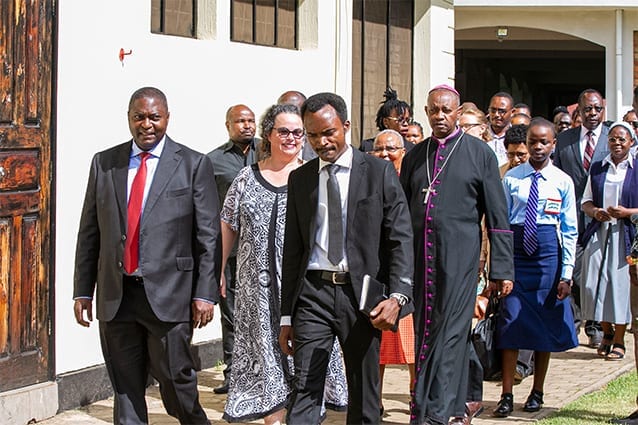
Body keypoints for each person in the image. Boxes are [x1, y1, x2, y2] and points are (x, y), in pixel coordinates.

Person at [73, 87, 220, 424]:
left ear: (167, 118)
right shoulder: (104, 163)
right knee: (125, 386)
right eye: (139, 117)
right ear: (129, 118)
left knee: (175, 378)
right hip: (117, 294)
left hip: (170, 295)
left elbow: (208, 237)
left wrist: (204, 293)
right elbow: (90, 232)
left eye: (154, 117)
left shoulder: (193, 164)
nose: (147, 124)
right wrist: (83, 290)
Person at [279, 92, 414, 424]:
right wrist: (285, 316)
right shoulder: (301, 179)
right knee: (306, 388)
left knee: (364, 395)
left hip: (362, 296)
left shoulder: (379, 173)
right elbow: (293, 250)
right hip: (314, 294)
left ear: (346, 126)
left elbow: (400, 239)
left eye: (329, 132)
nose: (321, 142)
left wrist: (398, 295)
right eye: (312, 135)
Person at [220, 103, 347, 423]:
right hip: (256, 295)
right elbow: (227, 227)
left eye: (297, 133)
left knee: (306, 363)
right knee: (266, 363)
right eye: (284, 131)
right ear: (269, 134)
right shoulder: (245, 178)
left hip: (303, 291)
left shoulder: (317, 176)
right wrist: (217, 271)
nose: (291, 138)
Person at [400, 84, 514, 425]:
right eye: (433, 110)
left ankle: (433, 410)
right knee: (426, 331)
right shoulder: (415, 155)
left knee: (450, 333)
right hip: (423, 260)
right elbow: (404, 214)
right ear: (426, 111)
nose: (439, 117)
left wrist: (501, 269)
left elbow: (498, 216)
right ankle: (444, 406)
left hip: (461, 259)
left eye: (446, 110)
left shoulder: (479, 154)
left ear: (458, 113)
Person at [494, 118, 578, 418]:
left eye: (544, 142)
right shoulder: (512, 179)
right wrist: (500, 268)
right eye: (533, 142)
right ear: (525, 144)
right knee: (510, 321)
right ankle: (506, 393)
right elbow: (500, 224)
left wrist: (566, 273)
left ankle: (537, 391)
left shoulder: (562, 181)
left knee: (544, 323)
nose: (538, 147)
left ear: (553, 144)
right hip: (517, 254)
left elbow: (569, 230)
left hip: (547, 256)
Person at [206, 104, 262, 394]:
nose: (247, 125)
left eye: (251, 120)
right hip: (230, 252)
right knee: (232, 314)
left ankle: (263, 372)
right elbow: (206, 208)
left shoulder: (268, 153)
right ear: (228, 125)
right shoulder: (212, 161)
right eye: (240, 121)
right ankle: (233, 373)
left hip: (263, 250)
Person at [554, 89, 610, 349]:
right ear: (578, 112)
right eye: (588, 109)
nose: (593, 114)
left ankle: (595, 324)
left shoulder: (613, 138)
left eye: (597, 109)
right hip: (571, 216)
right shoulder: (564, 140)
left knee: (597, 274)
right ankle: (574, 320)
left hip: (602, 217)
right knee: (571, 269)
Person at [579, 121, 638, 361]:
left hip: (626, 234)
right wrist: (595, 212)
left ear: (631, 143)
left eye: (622, 139)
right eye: (612, 139)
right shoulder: (598, 168)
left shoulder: (636, 168)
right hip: (600, 230)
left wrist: (627, 212)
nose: (616, 143)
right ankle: (606, 330)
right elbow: (586, 201)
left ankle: (619, 340)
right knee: (593, 283)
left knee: (620, 286)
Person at [370, 129, 415, 416]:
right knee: (377, 343)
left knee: (412, 343)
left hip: (409, 271)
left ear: (403, 151)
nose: (385, 154)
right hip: (376, 271)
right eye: (379, 149)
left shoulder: (413, 180)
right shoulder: (368, 179)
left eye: (391, 148)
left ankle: (416, 396)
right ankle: (374, 399)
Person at [359, 86, 413, 153]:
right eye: (400, 120)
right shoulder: (368, 147)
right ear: (386, 122)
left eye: (407, 120)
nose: (405, 124)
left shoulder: (413, 150)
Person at [278, 90, 318, 161]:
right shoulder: (262, 148)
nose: (291, 115)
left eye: (296, 111)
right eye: (285, 110)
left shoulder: (318, 144)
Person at [487, 92, 515, 166]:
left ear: (512, 112)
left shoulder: (517, 136)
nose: (496, 115)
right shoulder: (480, 134)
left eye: (502, 111)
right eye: (493, 110)